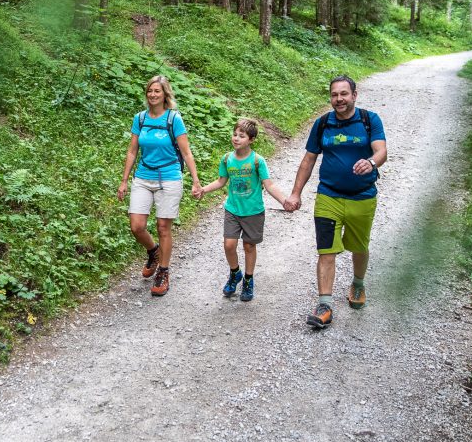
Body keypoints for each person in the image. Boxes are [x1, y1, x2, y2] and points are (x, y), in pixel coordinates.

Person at [284, 75, 387, 329]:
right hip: (328, 196)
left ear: (354, 95)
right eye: (334, 95)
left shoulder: (369, 119)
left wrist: (371, 162)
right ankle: (325, 304)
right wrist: (296, 193)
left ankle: (358, 283)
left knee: (359, 247)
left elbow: (381, 150)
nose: (338, 99)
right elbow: (308, 160)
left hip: (362, 197)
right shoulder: (322, 124)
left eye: (343, 94)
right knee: (326, 249)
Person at [117, 75, 202, 297]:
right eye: (150, 91)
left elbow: (186, 152)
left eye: (157, 91)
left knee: (164, 227)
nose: (153, 95)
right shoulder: (140, 118)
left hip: (170, 178)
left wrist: (195, 180)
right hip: (143, 177)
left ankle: (163, 271)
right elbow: (132, 150)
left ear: (165, 94)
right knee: (136, 226)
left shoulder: (174, 119)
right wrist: (124, 180)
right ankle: (153, 252)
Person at [197, 118, 288, 302]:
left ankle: (248, 279)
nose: (236, 138)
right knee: (229, 245)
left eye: (242, 136)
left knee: (248, 246)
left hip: (253, 211)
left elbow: (268, 184)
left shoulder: (257, 161)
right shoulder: (226, 159)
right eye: (235, 134)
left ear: (251, 139)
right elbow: (221, 181)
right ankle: (234, 273)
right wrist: (203, 190)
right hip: (232, 209)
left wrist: (284, 201)